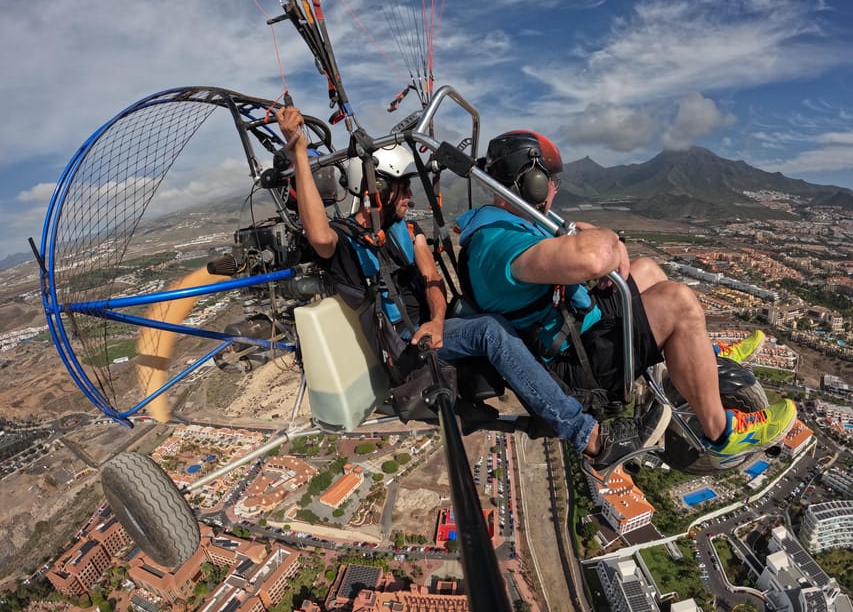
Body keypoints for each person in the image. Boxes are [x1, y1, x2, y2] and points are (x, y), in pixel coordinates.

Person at [277, 106, 669, 471]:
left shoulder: (405, 230)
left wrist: (437, 319)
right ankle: (590, 438)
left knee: (492, 316)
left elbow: (432, 280)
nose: (411, 196)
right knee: (489, 331)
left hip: (430, 329)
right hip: (402, 345)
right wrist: (299, 153)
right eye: (403, 187)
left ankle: (601, 373)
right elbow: (318, 234)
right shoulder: (346, 243)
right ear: (377, 186)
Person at [456, 130, 796, 470]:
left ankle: (698, 357)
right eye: (552, 180)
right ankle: (721, 434)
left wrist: (607, 245)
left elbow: (578, 231)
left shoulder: (514, 223)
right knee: (678, 301)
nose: (556, 188)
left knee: (646, 270)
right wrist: (610, 243)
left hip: (575, 331)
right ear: (533, 183)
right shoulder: (498, 243)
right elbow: (591, 257)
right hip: (575, 365)